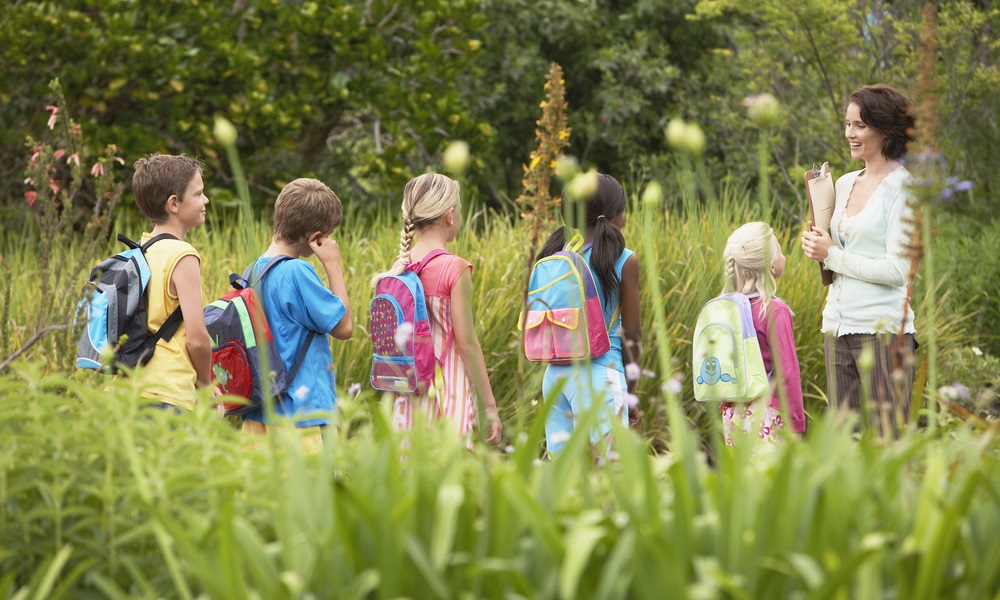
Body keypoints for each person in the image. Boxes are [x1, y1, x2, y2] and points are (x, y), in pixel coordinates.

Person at [801, 83, 918, 436]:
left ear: (885, 130)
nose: (850, 134)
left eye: (860, 126)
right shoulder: (845, 182)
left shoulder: (904, 189)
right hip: (837, 326)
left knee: (888, 445)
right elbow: (837, 252)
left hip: (884, 334)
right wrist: (817, 245)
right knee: (844, 449)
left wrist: (832, 255)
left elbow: (898, 271)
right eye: (848, 124)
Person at [371, 173, 502, 446]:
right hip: (448, 391)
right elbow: (466, 344)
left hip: (409, 391)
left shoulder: (399, 268)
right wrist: (489, 406)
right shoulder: (454, 268)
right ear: (450, 216)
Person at [241, 178, 353, 451]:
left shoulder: (252, 271)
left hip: (259, 412)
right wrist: (333, 265)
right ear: (315, 237)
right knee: (311, 492)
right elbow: (344, 327)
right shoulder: (297, 272)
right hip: (302, 417)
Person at [537, 173, 641, 456]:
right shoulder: (623, 258)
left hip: (555, 376)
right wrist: (630, 394)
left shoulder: (555, 253)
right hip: (601, 374)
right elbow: (632, 335)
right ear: (616, 215)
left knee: (563, 475)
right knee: (608, 478)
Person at [131, 153, 213, 411]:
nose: (205, 200)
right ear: (174, 204)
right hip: (169, 391)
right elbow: (197, 339)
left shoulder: (140, 251)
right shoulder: (182, 255)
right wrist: (206, 386)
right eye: (198, 194)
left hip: (129, 386)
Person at [719, 222, 806, 447]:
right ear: (771, 265)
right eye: (780, 250)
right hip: (766, 416)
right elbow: (788, 372)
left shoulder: (726, 308)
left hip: (732, 413)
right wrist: (796, 423)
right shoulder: (774, 310)